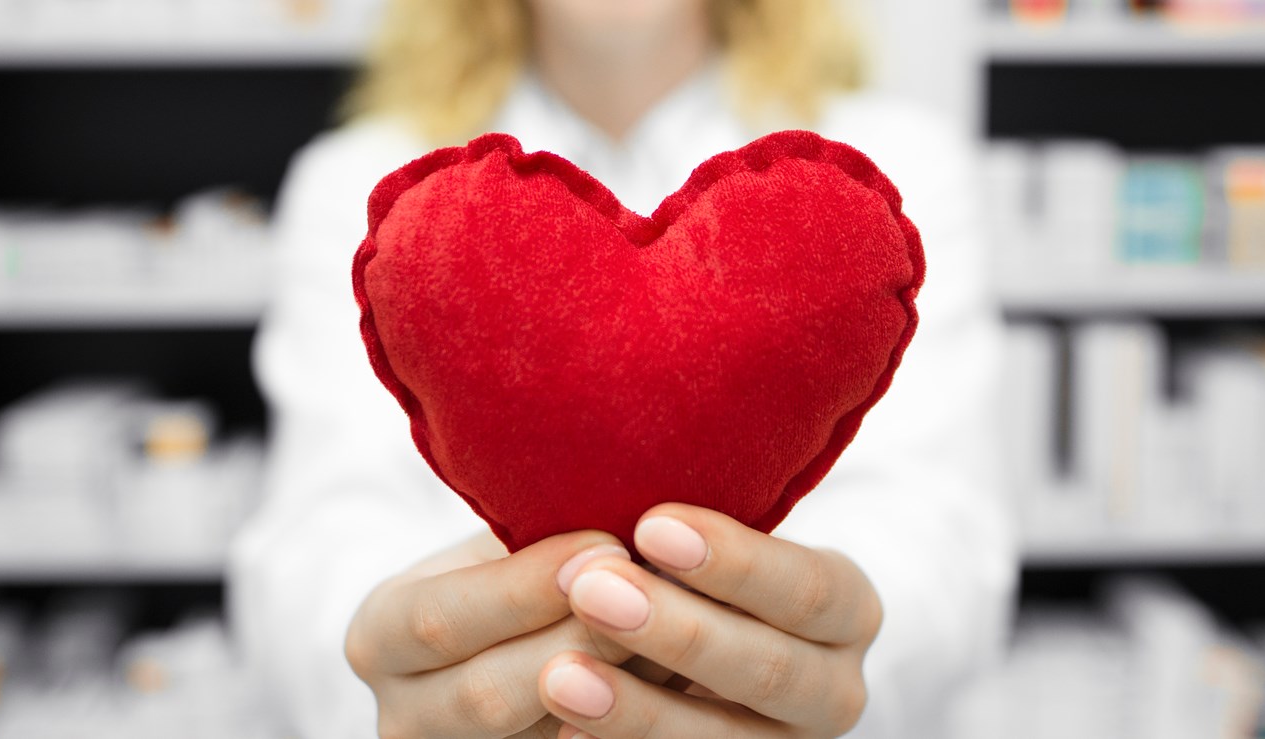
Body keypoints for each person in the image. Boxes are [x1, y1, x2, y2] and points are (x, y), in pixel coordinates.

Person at [231, 0, 1015, 736]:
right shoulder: (371, 193)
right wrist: (404, 659)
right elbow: (313, 543)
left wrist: (825, 652)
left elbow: (941, 538)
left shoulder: (887, 178)